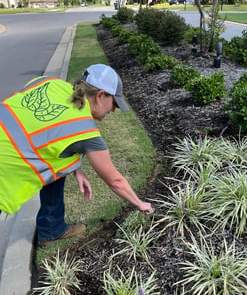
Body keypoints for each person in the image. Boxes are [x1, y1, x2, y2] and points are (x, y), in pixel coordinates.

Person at [0, 64, 153, 246]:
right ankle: (51, 229)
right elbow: (115, 181)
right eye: (114, 104)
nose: (113, 110)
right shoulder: (86, 133)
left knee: (56, 164)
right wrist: (140, 203)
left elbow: (46, 129)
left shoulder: (49, 83)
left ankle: (52, 229)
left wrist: (76, 168)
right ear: (100, 95)